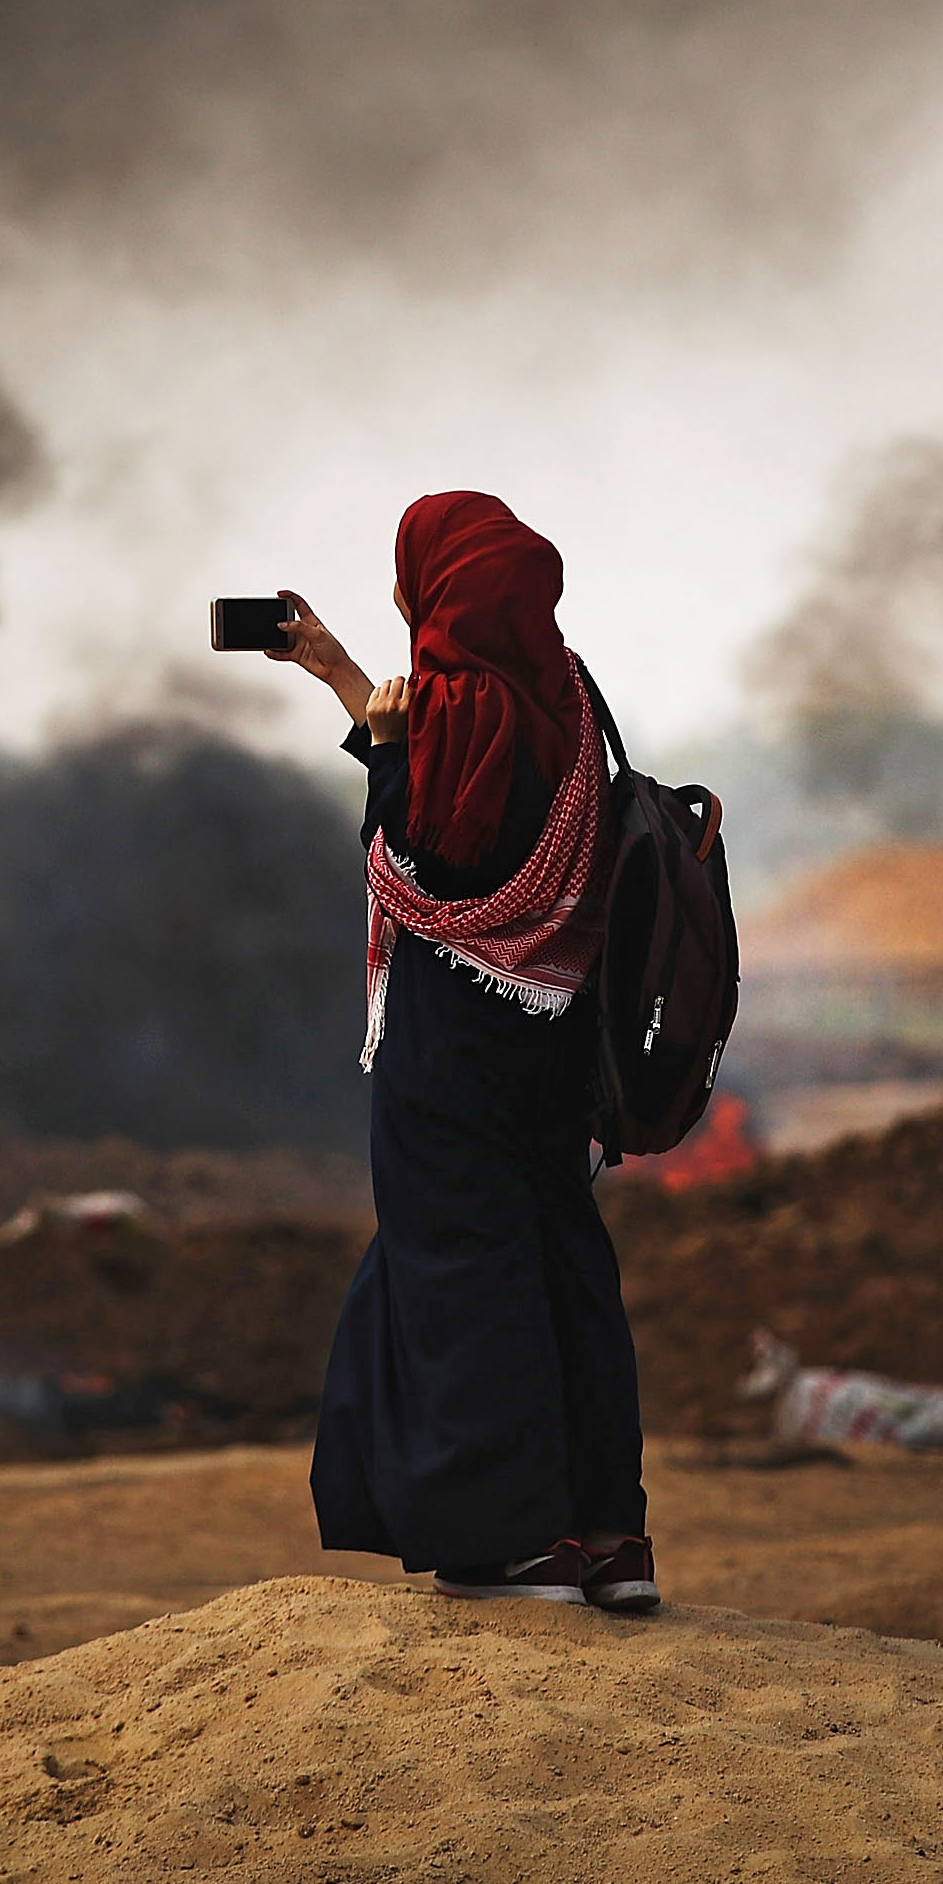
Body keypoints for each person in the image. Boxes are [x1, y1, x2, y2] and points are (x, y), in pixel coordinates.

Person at [268, 491, 657, 1611]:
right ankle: (609, 1537)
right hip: (557, 1036)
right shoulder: (570, 699)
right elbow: (472, 794)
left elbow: (419, 862)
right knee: (563, 1258)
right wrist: (342, 675)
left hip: (451, 1046)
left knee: (463, 1271)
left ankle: (518, 1542)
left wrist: (388, 743)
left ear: (429, 588)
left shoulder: (445, 716)